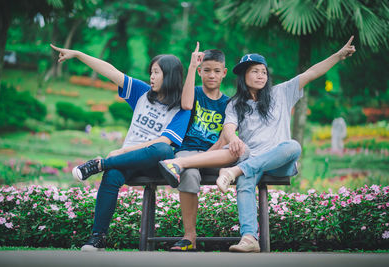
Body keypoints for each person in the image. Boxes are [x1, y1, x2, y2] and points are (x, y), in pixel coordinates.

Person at [158, 36, 356, 252]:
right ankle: (249, 239)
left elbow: (311, 73)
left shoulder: (281, 93)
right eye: (254, 71)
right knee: (245, 179)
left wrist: (338, 56)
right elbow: (228, 129)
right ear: (244, 76)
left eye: (263, 71)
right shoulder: (235, 104)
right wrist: (233, 139)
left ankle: (235, 171)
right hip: (250, 164)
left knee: (292, 146)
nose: (260, 75)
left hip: (278, 162)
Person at [50, 44, 191, 251]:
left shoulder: (182, 109)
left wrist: (122, 151)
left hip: (154, 164)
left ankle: (100, 164)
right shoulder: (142, 93)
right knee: (113, 174)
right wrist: (78, 55)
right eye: (151, 72)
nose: (151, 77)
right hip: (127, 163)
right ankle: (97, 238)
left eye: (156, 72)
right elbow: (111, 72)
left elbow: (164, 143)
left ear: (169, 76)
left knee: (163, 151)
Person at [158, 42, 236, 251]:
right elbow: (185, 104)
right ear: (201, 71)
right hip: (189, 150)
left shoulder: (229, 103)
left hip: (215, 155)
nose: (211, 75)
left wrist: (207, 157)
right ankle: (189, 236)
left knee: (229, 162)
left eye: (216, 71)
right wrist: (192, 66)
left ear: (224, 73)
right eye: (207, 70)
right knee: (190, 173)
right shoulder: (194, 93)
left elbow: (225, 138)